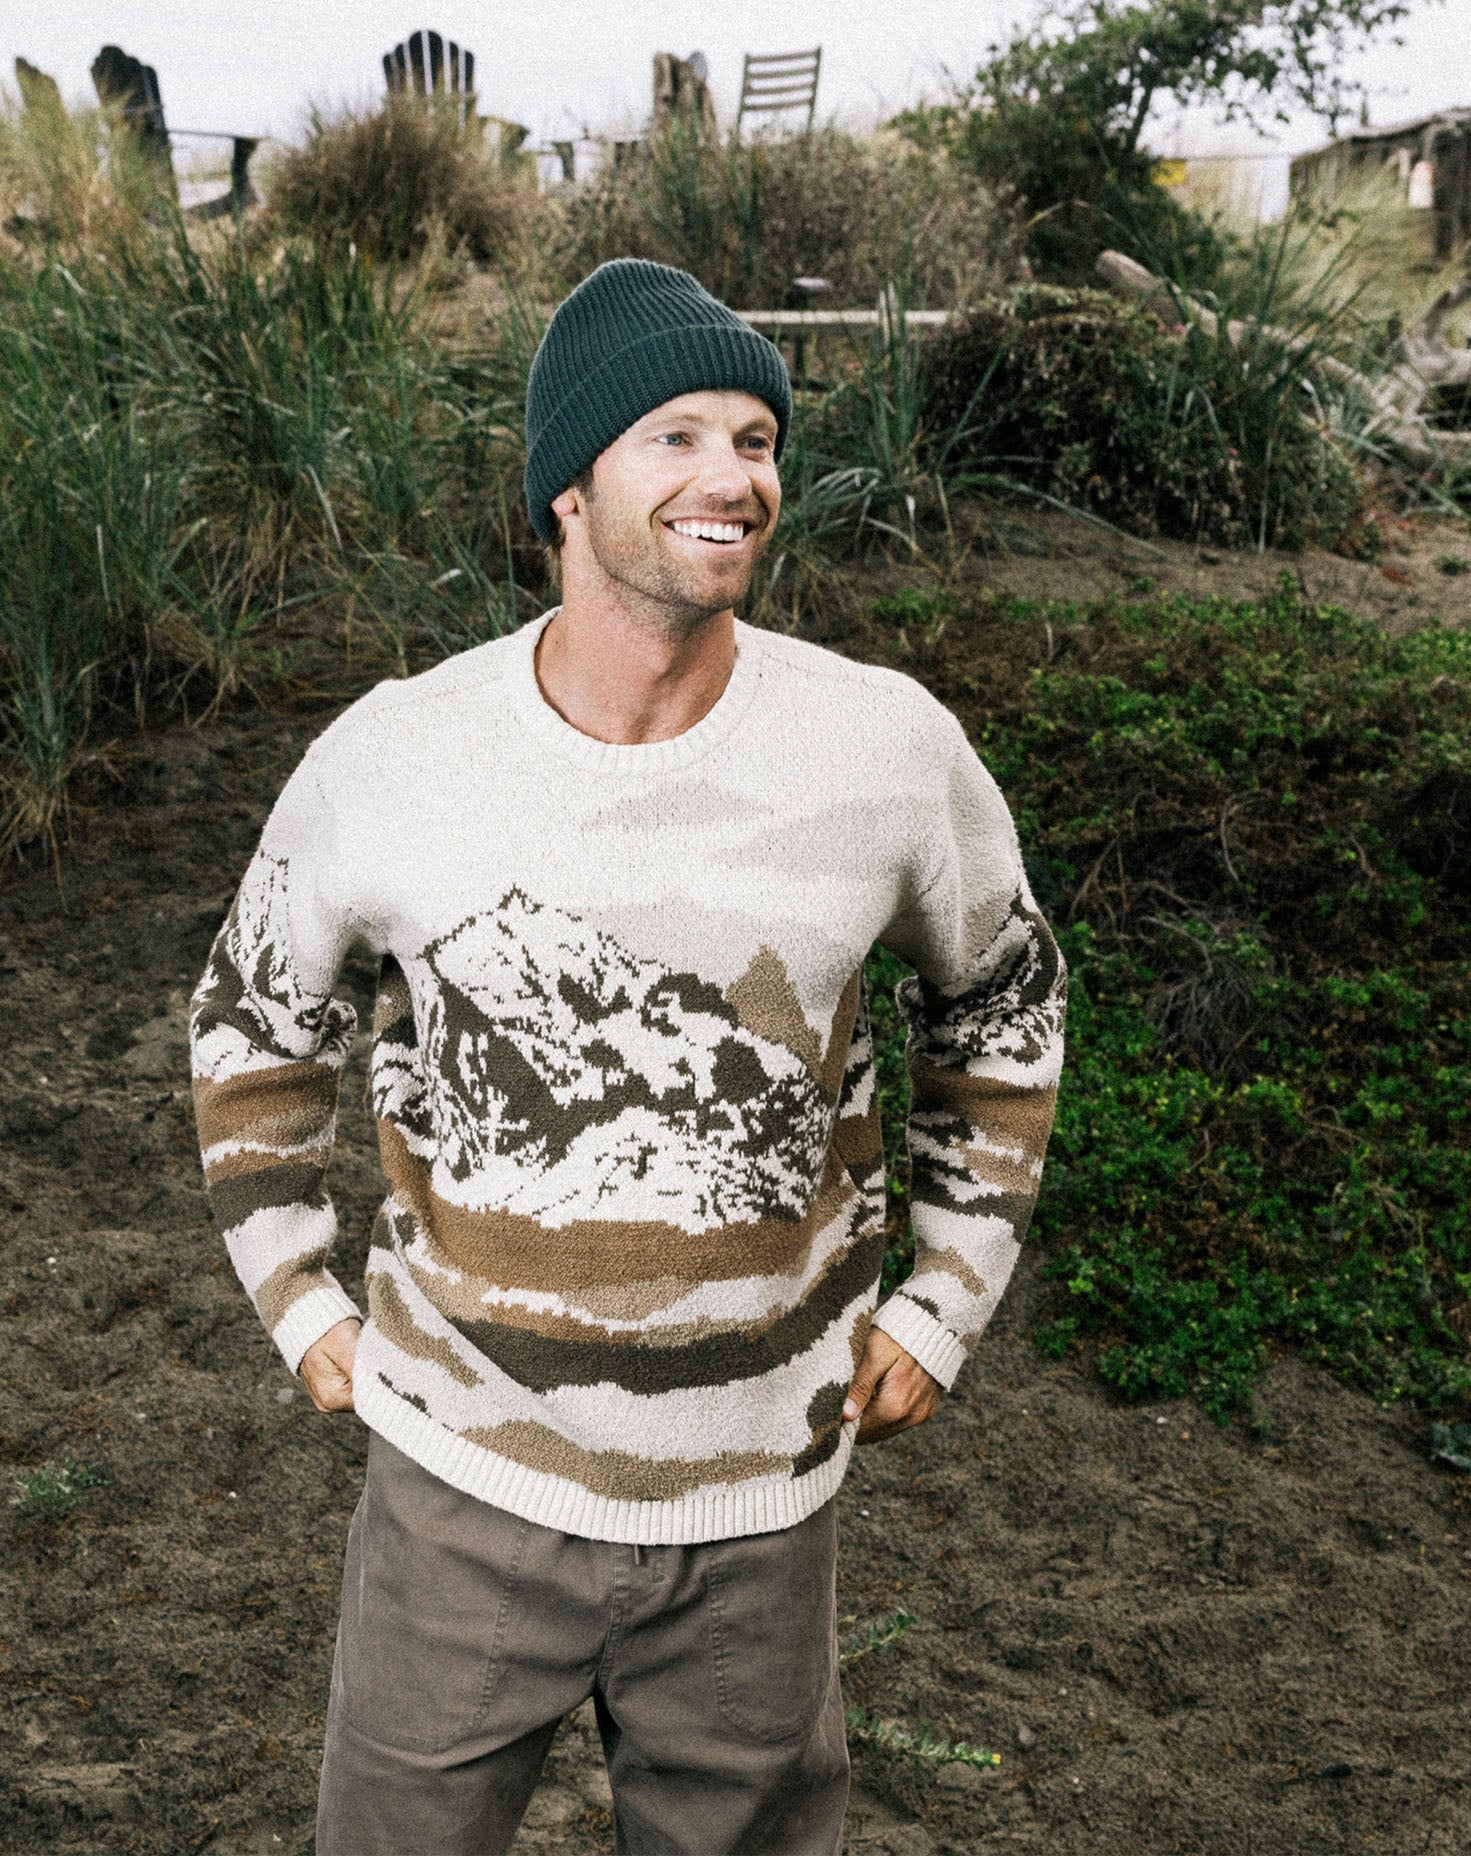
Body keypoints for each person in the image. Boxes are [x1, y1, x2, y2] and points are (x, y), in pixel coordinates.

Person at [189, 258, 1066, 1855]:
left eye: (755, 437)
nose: (733, 476)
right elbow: (252, 1018)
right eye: (674, 436)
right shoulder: (396, 754)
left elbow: (1006, 999)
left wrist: (945, 1300)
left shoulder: (885, 747)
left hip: (762, 1514)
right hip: (461, 1491)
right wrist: (297, 1294)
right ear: (567, 494)